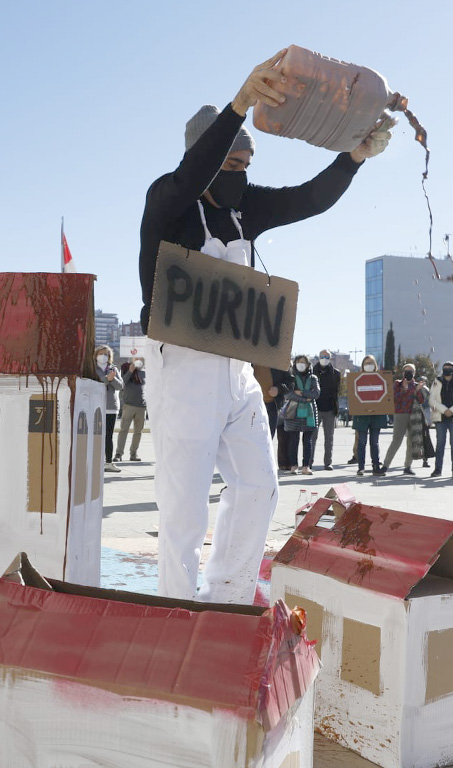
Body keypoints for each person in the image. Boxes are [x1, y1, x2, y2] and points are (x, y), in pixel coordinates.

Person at [137, 50, 393, 604]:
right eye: (231, 165)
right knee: (184, 509)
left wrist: (353, 158)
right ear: (206, 160)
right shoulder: (167, 202)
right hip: (182, 370)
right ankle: (175, 609)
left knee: (259, 485)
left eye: (248, 163)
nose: (242, 175)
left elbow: (308, 200)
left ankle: (226, 595)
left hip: (236, 370)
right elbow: (191, 175)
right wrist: (238, 105)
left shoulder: (245, 210)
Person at [382, 363, 427, 476]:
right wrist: (405, 389)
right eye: (406, 371)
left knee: (411, 442)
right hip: (400, 414)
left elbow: (421, 400)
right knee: (396, 441)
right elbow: (395, 398)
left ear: (414, 373)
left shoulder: (416, 385)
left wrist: (418, 390)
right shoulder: (397, 384)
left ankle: (408, 466)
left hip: (413, 416)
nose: (408, 373)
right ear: (403, 373)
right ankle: (385, 465)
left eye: (411, 371)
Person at [281, 355, 320, 474]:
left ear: (308, 364)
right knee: (293, 441)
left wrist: (301, 392)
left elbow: (316, 394)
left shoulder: (313, 378)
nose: (300, 364)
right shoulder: (291, 377)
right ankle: (293, 466)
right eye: (298, 362)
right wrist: (304, 398)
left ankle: (306, 466)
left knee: (307, 441)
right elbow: (288, 394)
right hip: (293, 413)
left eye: (303, 362)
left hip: (309, 414)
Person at [428, 361, 453, 478]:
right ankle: (437, 469)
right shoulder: (436, 381)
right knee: (440, 444)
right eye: (445, 368)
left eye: (449, 368)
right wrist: (444, 410)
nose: (447, 370)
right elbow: (431, 399)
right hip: (440, 417)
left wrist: (452, 411)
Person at [353, 355, 389, 476]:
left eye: (371, 363)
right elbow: (353, 397)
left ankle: (376, 466)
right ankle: (361, 467)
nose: (369, 365)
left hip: (376, 416)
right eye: (367, 363)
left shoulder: (381, 378)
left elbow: (385, 396)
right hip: (361, 416)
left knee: (374, 442)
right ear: (363, 365)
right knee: (361, 442)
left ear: (375, 365)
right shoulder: (356, 379)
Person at [95, 345, 124, 472]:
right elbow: (94, 383)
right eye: (101, 353)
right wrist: (107, 379)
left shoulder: (113, 368)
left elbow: (120, 386)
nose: (103, 356)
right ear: (96, 355)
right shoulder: (92, 368)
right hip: (95, 406)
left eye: (106, 354)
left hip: (111, 407)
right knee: (96, 435)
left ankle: (108, 462)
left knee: (108, 436)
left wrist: (112, 379)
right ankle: (96, 461)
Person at [114, 356, 147, 463]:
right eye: (136, 359)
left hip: (142, 407)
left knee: (138, 432)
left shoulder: (145, 373)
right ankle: (118, 454)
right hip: (128, 405)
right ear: (132, 360)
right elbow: (121, 384)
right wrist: (130, 371)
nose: (139, 361)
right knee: (123, 430)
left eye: (141, 359)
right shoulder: (126, 370)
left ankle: (133, 453)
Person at [312, 350, 340, 470]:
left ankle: (328, 462)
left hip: (330, 409)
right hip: (315, 408)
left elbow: (336, 391)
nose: (324, 358)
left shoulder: (336, 373)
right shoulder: (312, 371)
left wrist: (336, 408)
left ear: (330, 358)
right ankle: (309, 462)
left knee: (329, 438)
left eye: (327, 357)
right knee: (312, 437)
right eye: (322, 356)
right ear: (319, 357)